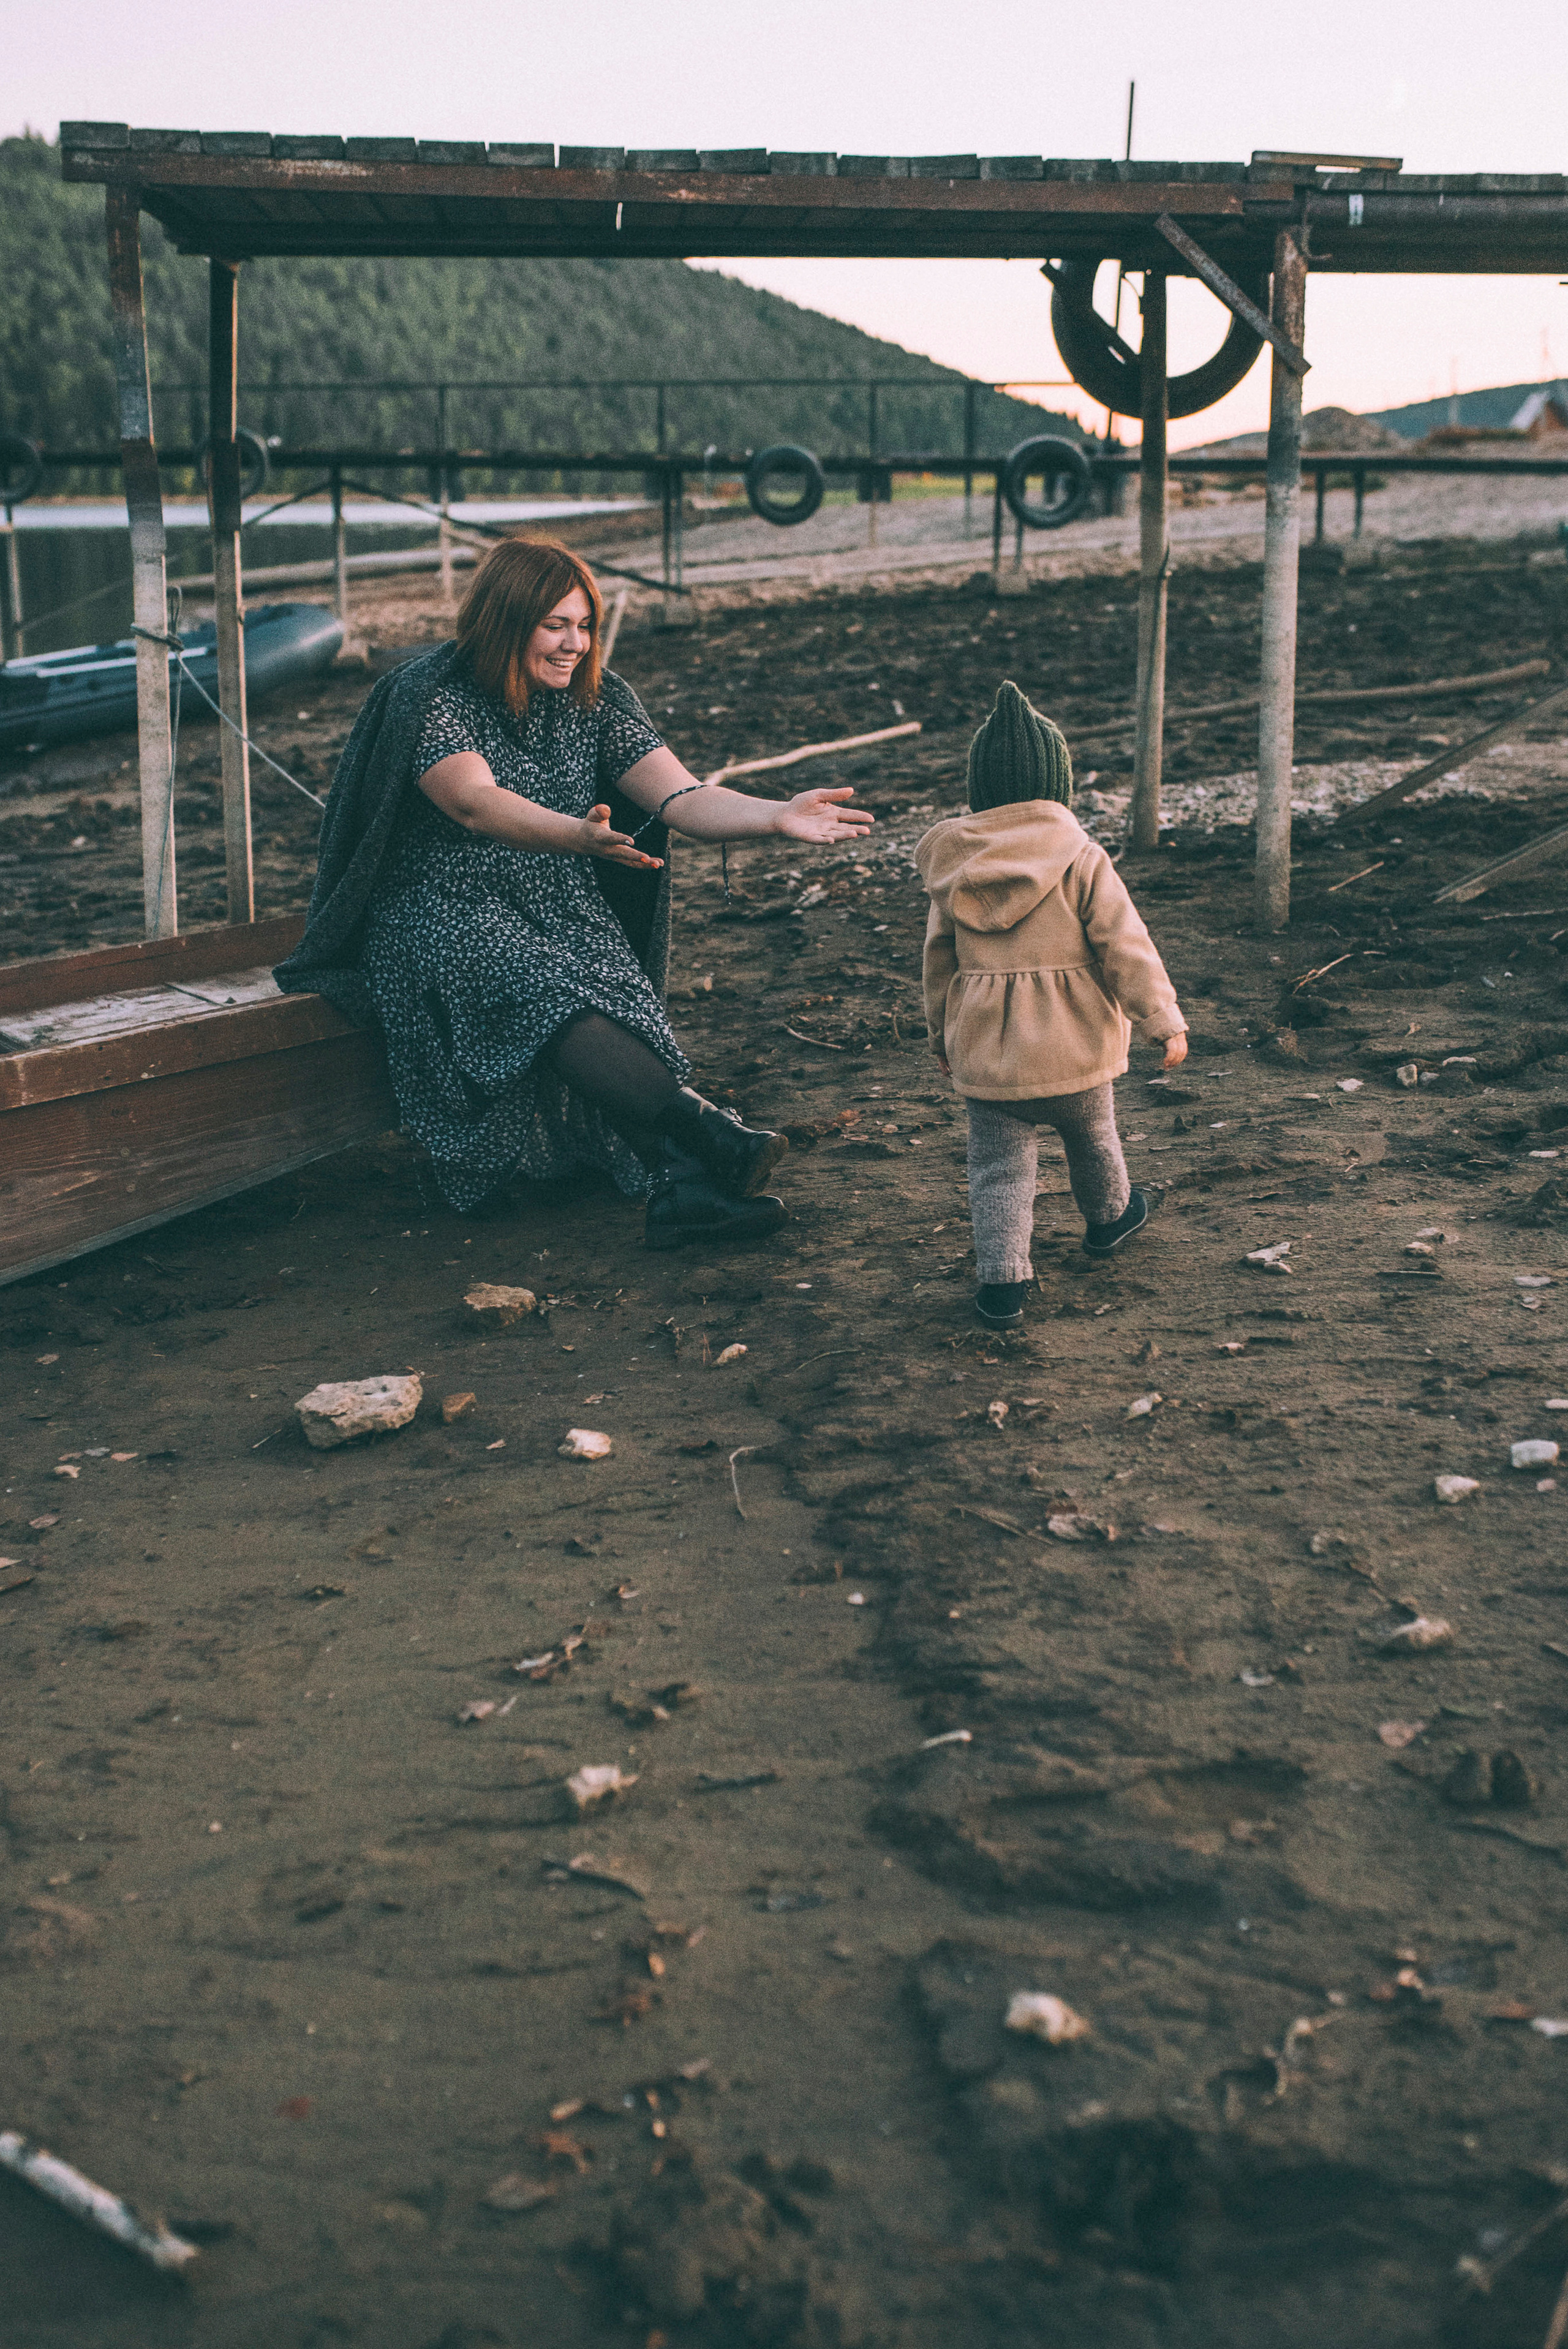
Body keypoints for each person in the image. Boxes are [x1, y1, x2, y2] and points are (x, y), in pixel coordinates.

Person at [275, 537, 872, 1245]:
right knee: (545, 987)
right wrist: (574, 836)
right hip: (436, 908)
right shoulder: (433, 698)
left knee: (615, 996)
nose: (575, 644)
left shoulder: (596, 701)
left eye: (584, 625)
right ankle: (708, 1135)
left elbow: (681, 797)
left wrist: (773, 816)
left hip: (549, 899)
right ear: (506, 619)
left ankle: (680, 1184)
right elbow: (473, 801)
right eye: (556, 624)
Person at [915, 681, 1187, 1329]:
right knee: (1092, 1136)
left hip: (988, 1054)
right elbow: (1128, 946)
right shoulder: (1082, 857)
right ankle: (1110, 1219)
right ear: (1057, 786)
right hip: (1076, 1046)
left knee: (997, 1170)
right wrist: (1162, 1020)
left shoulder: (954, 866)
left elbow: (937, 965)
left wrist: (940, 1040)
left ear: (980, 792)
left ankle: (1002, 1285)